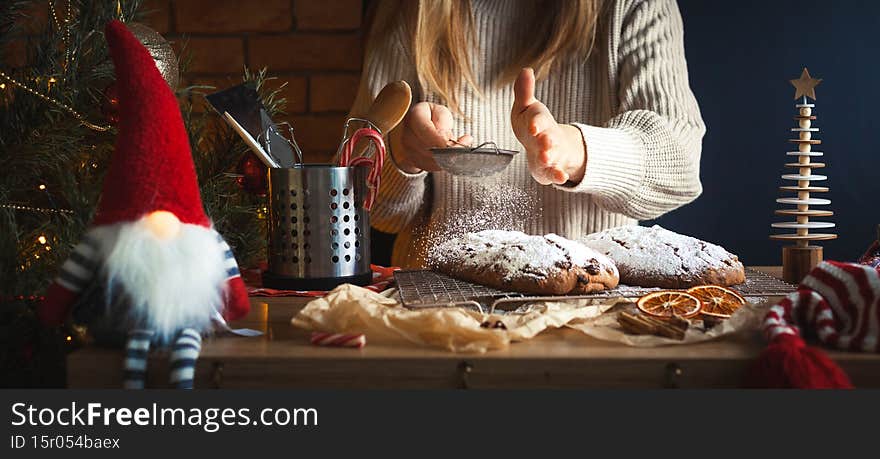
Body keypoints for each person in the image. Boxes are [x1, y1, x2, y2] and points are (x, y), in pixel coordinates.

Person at [350, 0, 705, 268]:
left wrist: (575, 151)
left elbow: (682, 164)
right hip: (439, 308)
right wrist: (401, 155)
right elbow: (374, 212)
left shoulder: (633, 6)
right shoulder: (412, 12)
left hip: (593, 307)